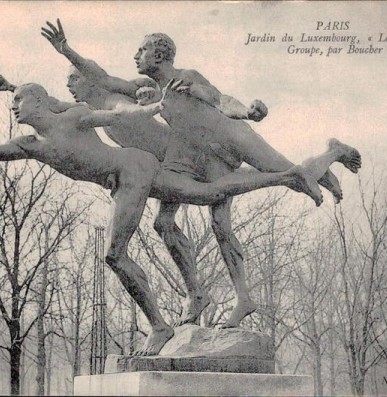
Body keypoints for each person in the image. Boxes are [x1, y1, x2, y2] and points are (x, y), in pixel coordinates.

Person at [0, 80, 320, 355]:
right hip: (125, 176)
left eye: (19, 99)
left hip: (131, 167)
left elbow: (113, 114)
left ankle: (160, 326)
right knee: (205, 195)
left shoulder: (72, 118)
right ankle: (286, 177)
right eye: (13, 100)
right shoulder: (29, 144)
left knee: (114, 254)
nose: (14, 106)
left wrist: (149, 111)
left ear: (38, 101)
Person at [41, 19, 362, 328]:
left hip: (233, 140)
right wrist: (65, 50)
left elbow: (220, 99)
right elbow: (106, 79)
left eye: (141, 51)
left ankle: (332, 152)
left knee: (294, 177)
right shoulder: (151, 87)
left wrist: (247, 111)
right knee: (176, 223)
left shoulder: (185, 78)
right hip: (197, 158)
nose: (135, 57)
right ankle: (222, 297)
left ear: (160, 55)